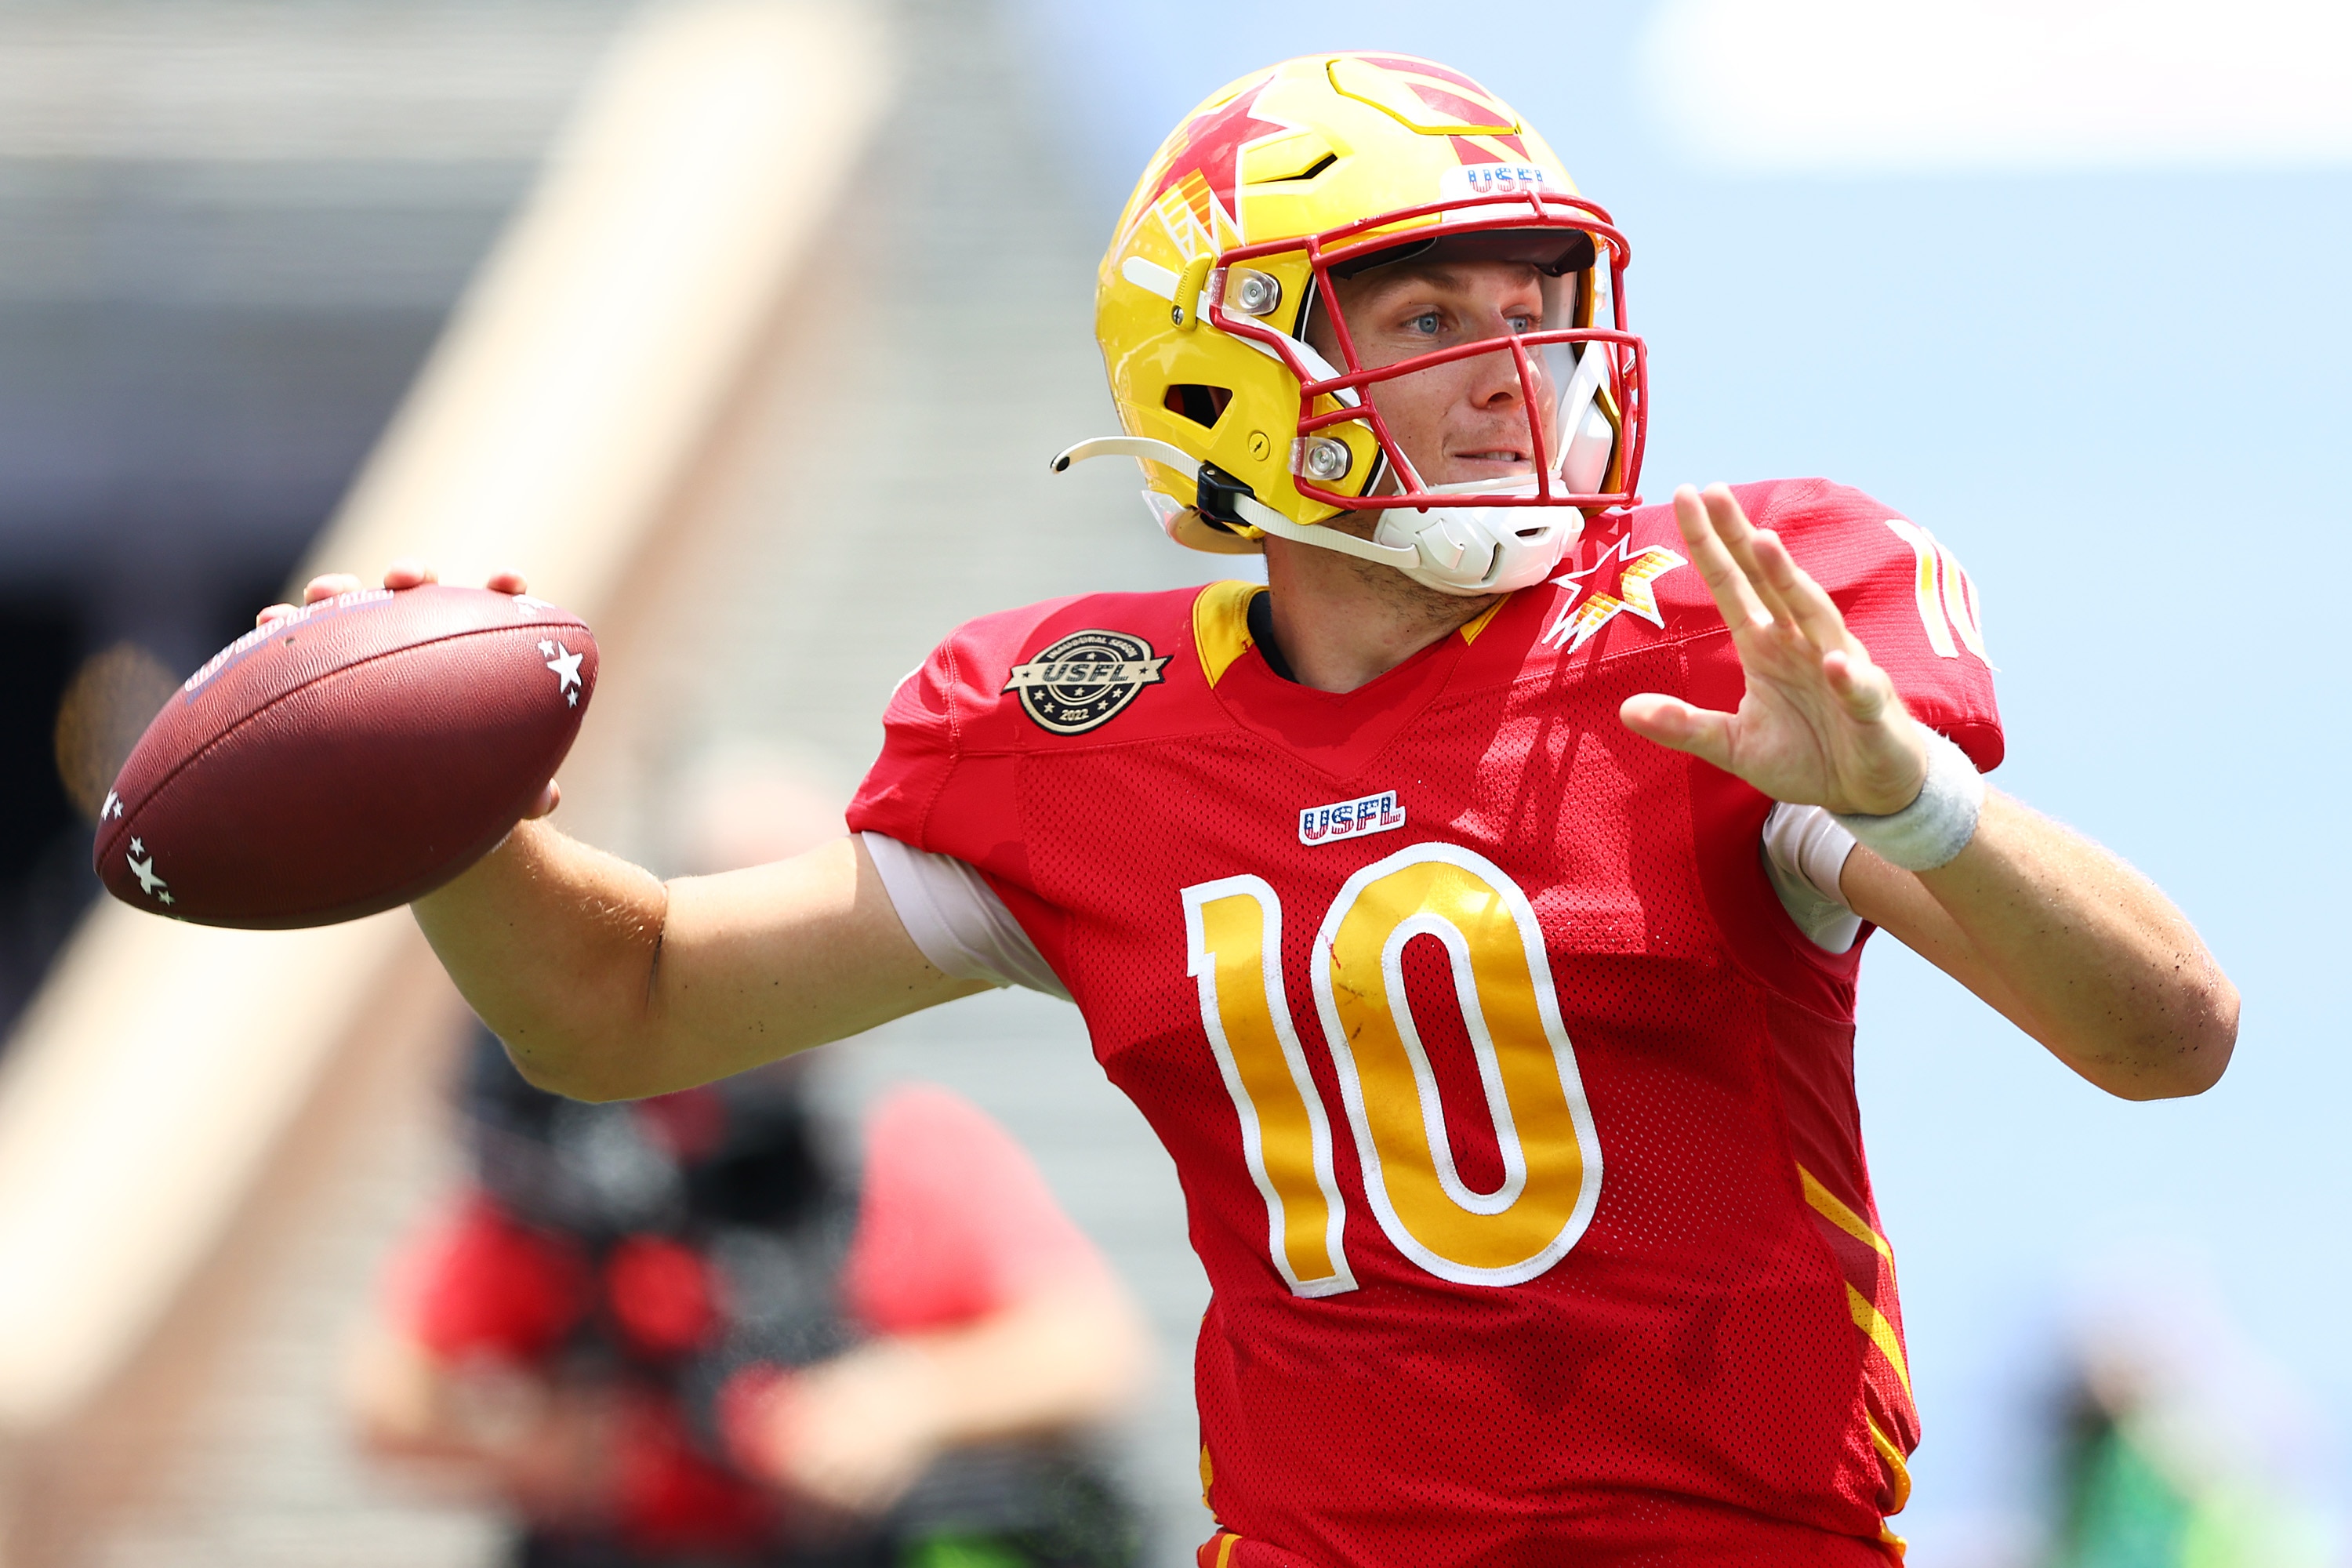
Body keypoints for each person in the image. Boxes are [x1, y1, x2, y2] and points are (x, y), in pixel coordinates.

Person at [274, 53, 2238, 1567]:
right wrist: (446, 819)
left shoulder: (1714, 641)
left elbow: (2165, 1036)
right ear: (1227, 368)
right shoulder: (1086, 728)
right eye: (1424, 313)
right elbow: (619, 1005)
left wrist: (1913, 810)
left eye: (1536, 297)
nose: (1517, 367)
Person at [350, 1038, 1149, 1568]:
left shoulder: (905, 1153)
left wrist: (902, 1398)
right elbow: (385, 1400)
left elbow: (1092, 1348)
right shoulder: (548, 1202)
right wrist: (553, 1442)